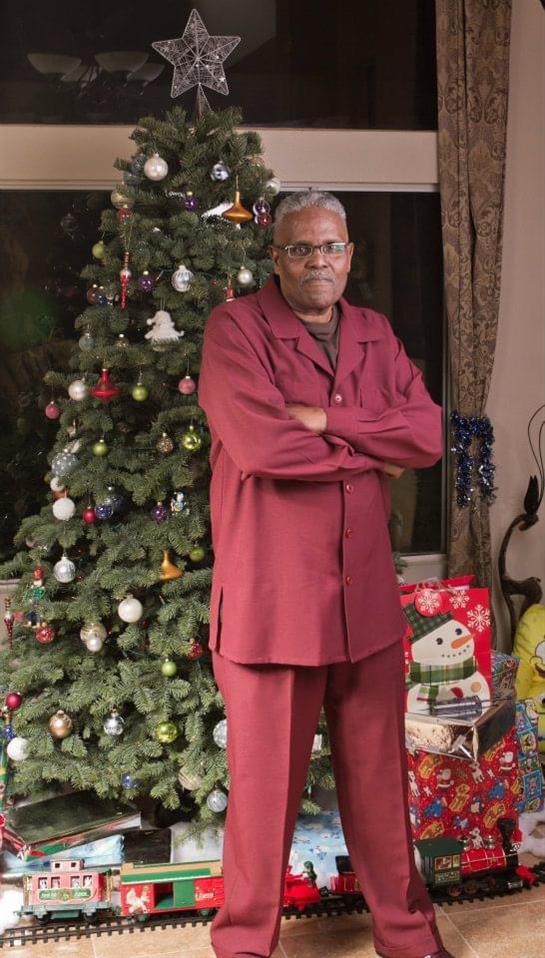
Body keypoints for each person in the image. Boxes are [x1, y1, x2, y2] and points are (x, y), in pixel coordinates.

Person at [198, 191, 451, 958]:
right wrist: (375, 450)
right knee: (264, 794)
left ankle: (406, 936)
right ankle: (244, 945)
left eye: (332, 248)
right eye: (302, 249)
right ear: (274, 256)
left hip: (364, 599)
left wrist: (330, 421)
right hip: (273, 604)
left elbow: (431, 432)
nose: (319, 263)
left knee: (378, 786)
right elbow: (265, 448)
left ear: (350, 254)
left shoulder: (374, 332)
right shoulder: (234, 329)